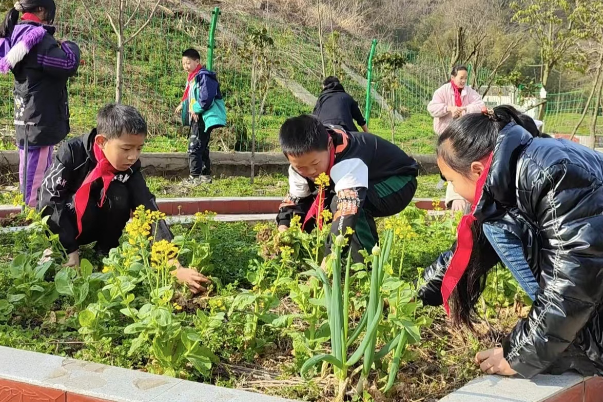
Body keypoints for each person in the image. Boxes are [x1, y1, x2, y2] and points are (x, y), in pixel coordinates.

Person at [418, 105, 603, 379]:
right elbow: (471, 248)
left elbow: (572, 280)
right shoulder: (525, 161)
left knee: (495, 226)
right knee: (493, 223)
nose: (454, 189)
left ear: (477, 168)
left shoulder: (553, 175)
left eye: (451, 180)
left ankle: (575, 344)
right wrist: (417, 293)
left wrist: (520, 355)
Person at [38, 104, 210, 293]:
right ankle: (65, 251)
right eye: (127, 148)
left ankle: (105, 250)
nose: (133, 156)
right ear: (102, 141)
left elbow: (147, 208)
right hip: (72, 225)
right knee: (75, 201)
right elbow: (50, 199)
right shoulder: (72, 151)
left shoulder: (130, 167)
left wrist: (172, 263)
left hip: (101, 226)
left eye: (138, 149)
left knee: (119, 193)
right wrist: (68, 248)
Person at [276, 115, 418, 261]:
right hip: (367, 179)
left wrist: (329, 261)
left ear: (329, 145)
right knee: (317, 203)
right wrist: (284, 231)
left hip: (399, 181)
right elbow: (296, 201)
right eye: (301, 167)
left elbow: (348, 211)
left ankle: (365, 265)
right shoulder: (299, 167)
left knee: (346, 203)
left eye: (315, 163)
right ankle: (297, 258)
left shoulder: (349, 159)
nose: (310, 171)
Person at [0, 0, 80, 207]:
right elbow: (67, 63)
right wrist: (70, 46)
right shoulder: (38, 40)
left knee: (34, 167)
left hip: (28, 115)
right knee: (35, 174)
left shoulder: (18, 34)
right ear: (42, 10)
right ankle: (33, 217)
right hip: (39, 117)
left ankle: (39, 211)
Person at [428, 66, 484, 213]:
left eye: (465, 78)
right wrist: (449, 108)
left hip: (462, 134)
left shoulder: (469, 92)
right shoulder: (443, 91)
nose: (463, 81)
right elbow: (432, 108)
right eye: (461, 78)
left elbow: (480, 104)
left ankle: (456, 193)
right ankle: (447, 182)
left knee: (458, 162)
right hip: (446, 134)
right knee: (447, 160)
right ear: (453, 78)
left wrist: (465, 109)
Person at [175, 48, 226, 185]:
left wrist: (196, 109)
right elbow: (191, 95)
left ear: (197, 61)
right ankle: (205, 175)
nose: (185, 66)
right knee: (201, 146)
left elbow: (206, 98)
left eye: (188, 63)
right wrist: (183, 105)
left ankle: (194, 177)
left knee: (195, 145)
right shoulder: (193, 78)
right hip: (197, 115)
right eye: (183, 63)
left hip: (203, 116)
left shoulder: (204, 76)